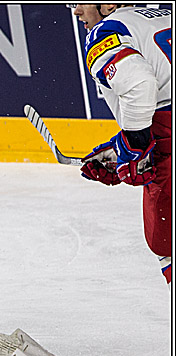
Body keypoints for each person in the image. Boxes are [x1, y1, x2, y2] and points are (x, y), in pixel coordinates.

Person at [72, 4, 172, 285]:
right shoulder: (165, 15)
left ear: (108, 5)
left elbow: (140, 84)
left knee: (166, 244)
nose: (77, 10)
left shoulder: (107, 30)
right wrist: (122, 149)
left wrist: (135, 143)